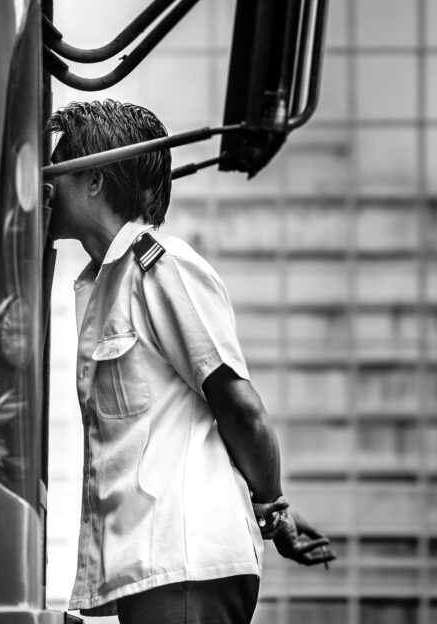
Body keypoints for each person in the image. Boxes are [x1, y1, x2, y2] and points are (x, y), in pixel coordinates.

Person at [46, 99, 335, 624]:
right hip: (157, 568)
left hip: (183, 565)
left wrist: (272, 508)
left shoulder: (162, 267)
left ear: (94, 178)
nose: (46, 176)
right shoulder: (107, 282)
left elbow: (241, 407)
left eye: (59, 160)